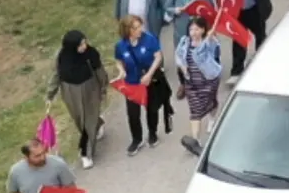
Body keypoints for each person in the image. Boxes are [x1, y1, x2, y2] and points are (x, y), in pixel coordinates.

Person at [45, 30, 106, 170]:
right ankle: (98, 123)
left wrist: (103, 87)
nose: (84, 46)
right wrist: (50, 95)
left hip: (90, 89)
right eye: (81, 44)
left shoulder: (90, 54)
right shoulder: (62, 57)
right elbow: (57, 75)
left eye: (85, 42)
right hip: (70, 93)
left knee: (87, 121)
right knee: (80, 120)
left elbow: (99, 71)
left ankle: (85, 153)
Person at [114, 14, 173, 155]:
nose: (139, 29)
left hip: (149, 80)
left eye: (140, 26)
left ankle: (152, 134)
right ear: (127, 30)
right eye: (135, 28)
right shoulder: (121, 45)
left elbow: (158, 56)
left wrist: (149, 74)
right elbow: (118, 60)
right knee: (132, 113)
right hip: (132, 83)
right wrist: (121, 71)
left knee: (152, 109)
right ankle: (137, 139)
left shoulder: (149, 39)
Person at [174, 17, 222, 155]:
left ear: (203, 29)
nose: (193, 32)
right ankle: (195, 141)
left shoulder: (210, 42)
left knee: (211, 103)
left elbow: (214, 53)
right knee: (195, 111)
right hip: (191, 83)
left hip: (209, 80)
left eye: (196, 29)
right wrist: (183, 67)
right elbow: (178, 56)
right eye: (191, 29)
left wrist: (210, 39)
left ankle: (212, 119)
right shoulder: (184, 42)